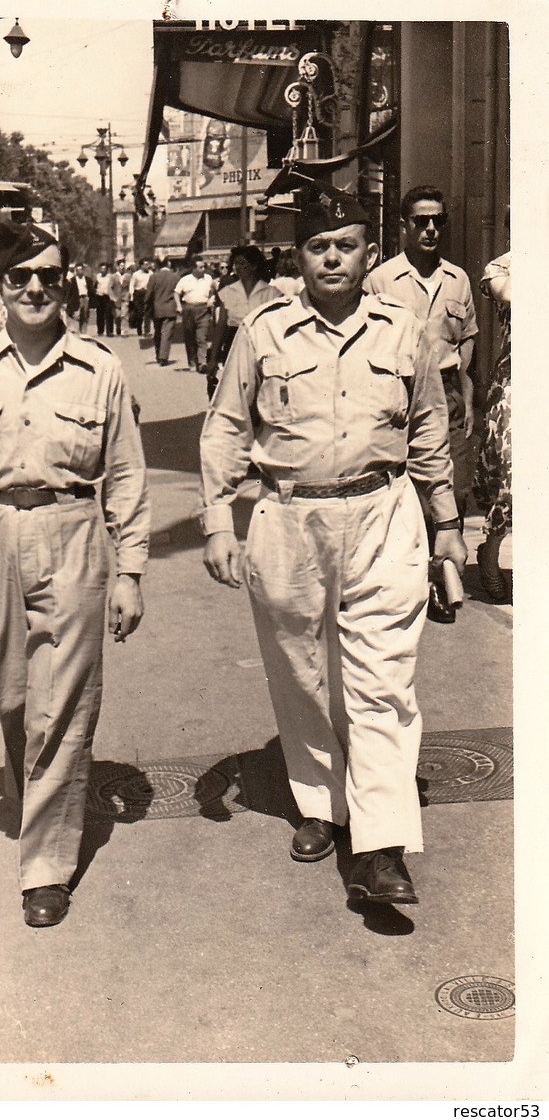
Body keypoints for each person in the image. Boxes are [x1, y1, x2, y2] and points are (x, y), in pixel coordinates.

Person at [200, 182, 466, 906]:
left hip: (382, 513)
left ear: (367, 252)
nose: (331, 259)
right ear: (301, 256)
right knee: (303, 673)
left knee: (381, 682)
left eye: (344, 245)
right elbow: (226, 425)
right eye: (317, 247)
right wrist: (219, 519)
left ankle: (380, 846)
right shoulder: (263, 330)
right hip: (288, 519)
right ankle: (321, 802)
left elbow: (428, 430)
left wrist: (446, 526)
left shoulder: (401, 329)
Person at [0, 221, 150, 928]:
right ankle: (32, 778)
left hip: (73, 532)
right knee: (14, 694)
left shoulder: (99, 369)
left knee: (64, 704)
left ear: (66, 280)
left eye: (48, 274)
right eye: (20, 276)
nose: (34, 288)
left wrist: (130, 570)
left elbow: (125, 473)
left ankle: (46, 866)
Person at [364, 185, 477, 623]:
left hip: (447, 391)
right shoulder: (381, 279)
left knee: (456, 487)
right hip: (399, 392)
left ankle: (444, 574)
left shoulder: (459, 279)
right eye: (421, 221)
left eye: (438, 221)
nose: (431, 229)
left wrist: (466, 397)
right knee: (410, 487)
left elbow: (466, 341)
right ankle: (422, 581)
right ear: (404, 227)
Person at [473, 219, 511, 602]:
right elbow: (511, 294)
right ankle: (491, 551)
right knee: (514, 481)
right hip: (518, 383)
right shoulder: (502, 267)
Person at [206, 245, 281, 399]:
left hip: (263, 343)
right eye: (236, 264)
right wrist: (213, 358)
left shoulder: (271, 293)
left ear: (254, 266)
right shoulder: (227, 292)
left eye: (242, 263)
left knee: (263, 390)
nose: (238, 268)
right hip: (234, 342)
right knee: (236, 391)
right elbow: (221, 326)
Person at [173, 255, 216, 371]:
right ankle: (192, 362)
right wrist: (178, 306)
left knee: (202, 337)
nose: (203, 269)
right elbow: (176, 293)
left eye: (204, 267)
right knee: (189, 336)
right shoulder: (185, 280)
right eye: (200, 267)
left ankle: (202, 363)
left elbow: (215, 292)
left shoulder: (208, 279)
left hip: (203, 309)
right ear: (193, 268)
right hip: (189, 309)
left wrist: (212, 298)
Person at [144, 257, 180, 367]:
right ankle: (163, 357)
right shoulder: (175, 277)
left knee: (158, 332)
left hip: (157, 309)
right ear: (168, 265)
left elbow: (149, 294)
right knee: (167, 334)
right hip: (170, 308)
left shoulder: (154, 277)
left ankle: (158, 355)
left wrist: (146, 306)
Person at [66, 262, 94, 334]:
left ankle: (83, 332)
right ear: (76, 270)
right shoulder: (72, 280)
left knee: (85, 315)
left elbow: (91, 290)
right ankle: (76, 331)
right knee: (77, 315)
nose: (79, 271)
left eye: (81, 269)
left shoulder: (88, 279)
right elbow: (70, 291)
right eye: (78, 270)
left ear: (83, 270)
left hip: (86, 298)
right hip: (77, 298)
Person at [129, 258, 152, 337]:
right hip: (138, 294)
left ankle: (147, 331)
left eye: (148, 264)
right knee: (139, 313)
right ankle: (139, 330)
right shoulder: (136, 274)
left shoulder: (151, 274)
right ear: (141, 265)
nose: (147, 266)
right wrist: (132, 295)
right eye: (145, 264)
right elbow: (132, 285)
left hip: (147, 293)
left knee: (147, 313)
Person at [94, 262, 114, 337]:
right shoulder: (98, 276)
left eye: (104, 269)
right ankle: (100, 330)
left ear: (107, 270)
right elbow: (95, 286)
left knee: (109, 314)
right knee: (99, 314)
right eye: (101, 268)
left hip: (107, 296)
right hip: (99, 296)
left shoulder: (110, 277)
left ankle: (109, 331)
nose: (103, 270)